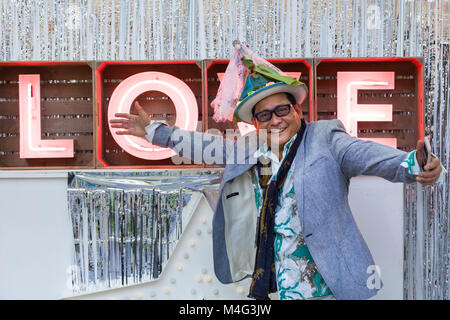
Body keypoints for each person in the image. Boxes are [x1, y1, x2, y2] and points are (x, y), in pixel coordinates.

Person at [109, 53, 445, 300]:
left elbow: (370, 157)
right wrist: (156, 132)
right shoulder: (250, 147)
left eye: (282, 110)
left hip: (327, 287)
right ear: (256, 123)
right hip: (277, 287)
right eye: (264, 115)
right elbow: (208, 145)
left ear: (297, 110)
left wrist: (415, 166)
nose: (275, 120)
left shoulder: (325, 138)